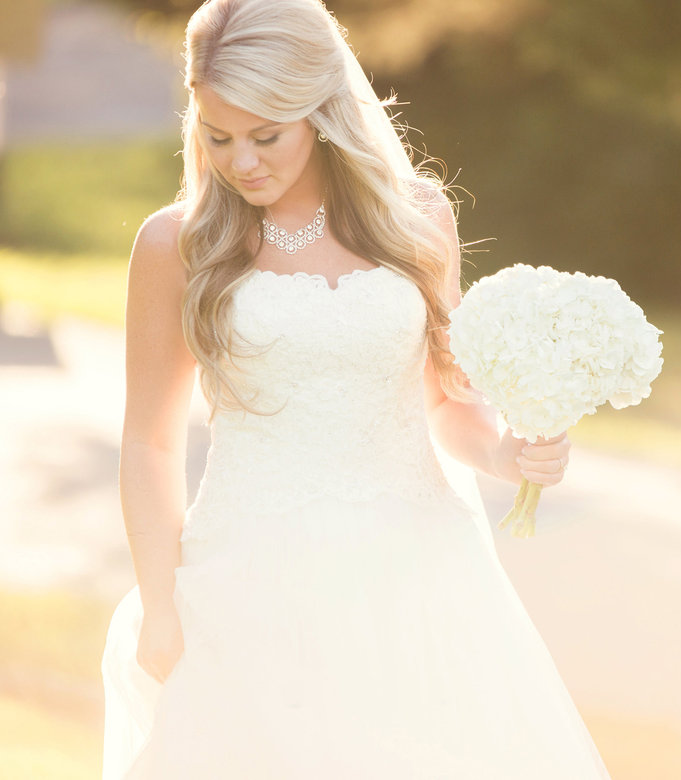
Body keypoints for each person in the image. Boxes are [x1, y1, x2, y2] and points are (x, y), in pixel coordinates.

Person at [99, 0, 611, 777]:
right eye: (218, 135)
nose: (242, 162)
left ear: (324, 111)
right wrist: (161, 603)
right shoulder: (176, 244)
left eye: (267, 136)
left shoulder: (418, 221)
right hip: (250, 579)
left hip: (418, 580)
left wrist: (510, 455)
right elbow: (150, 440)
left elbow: (443, 401)